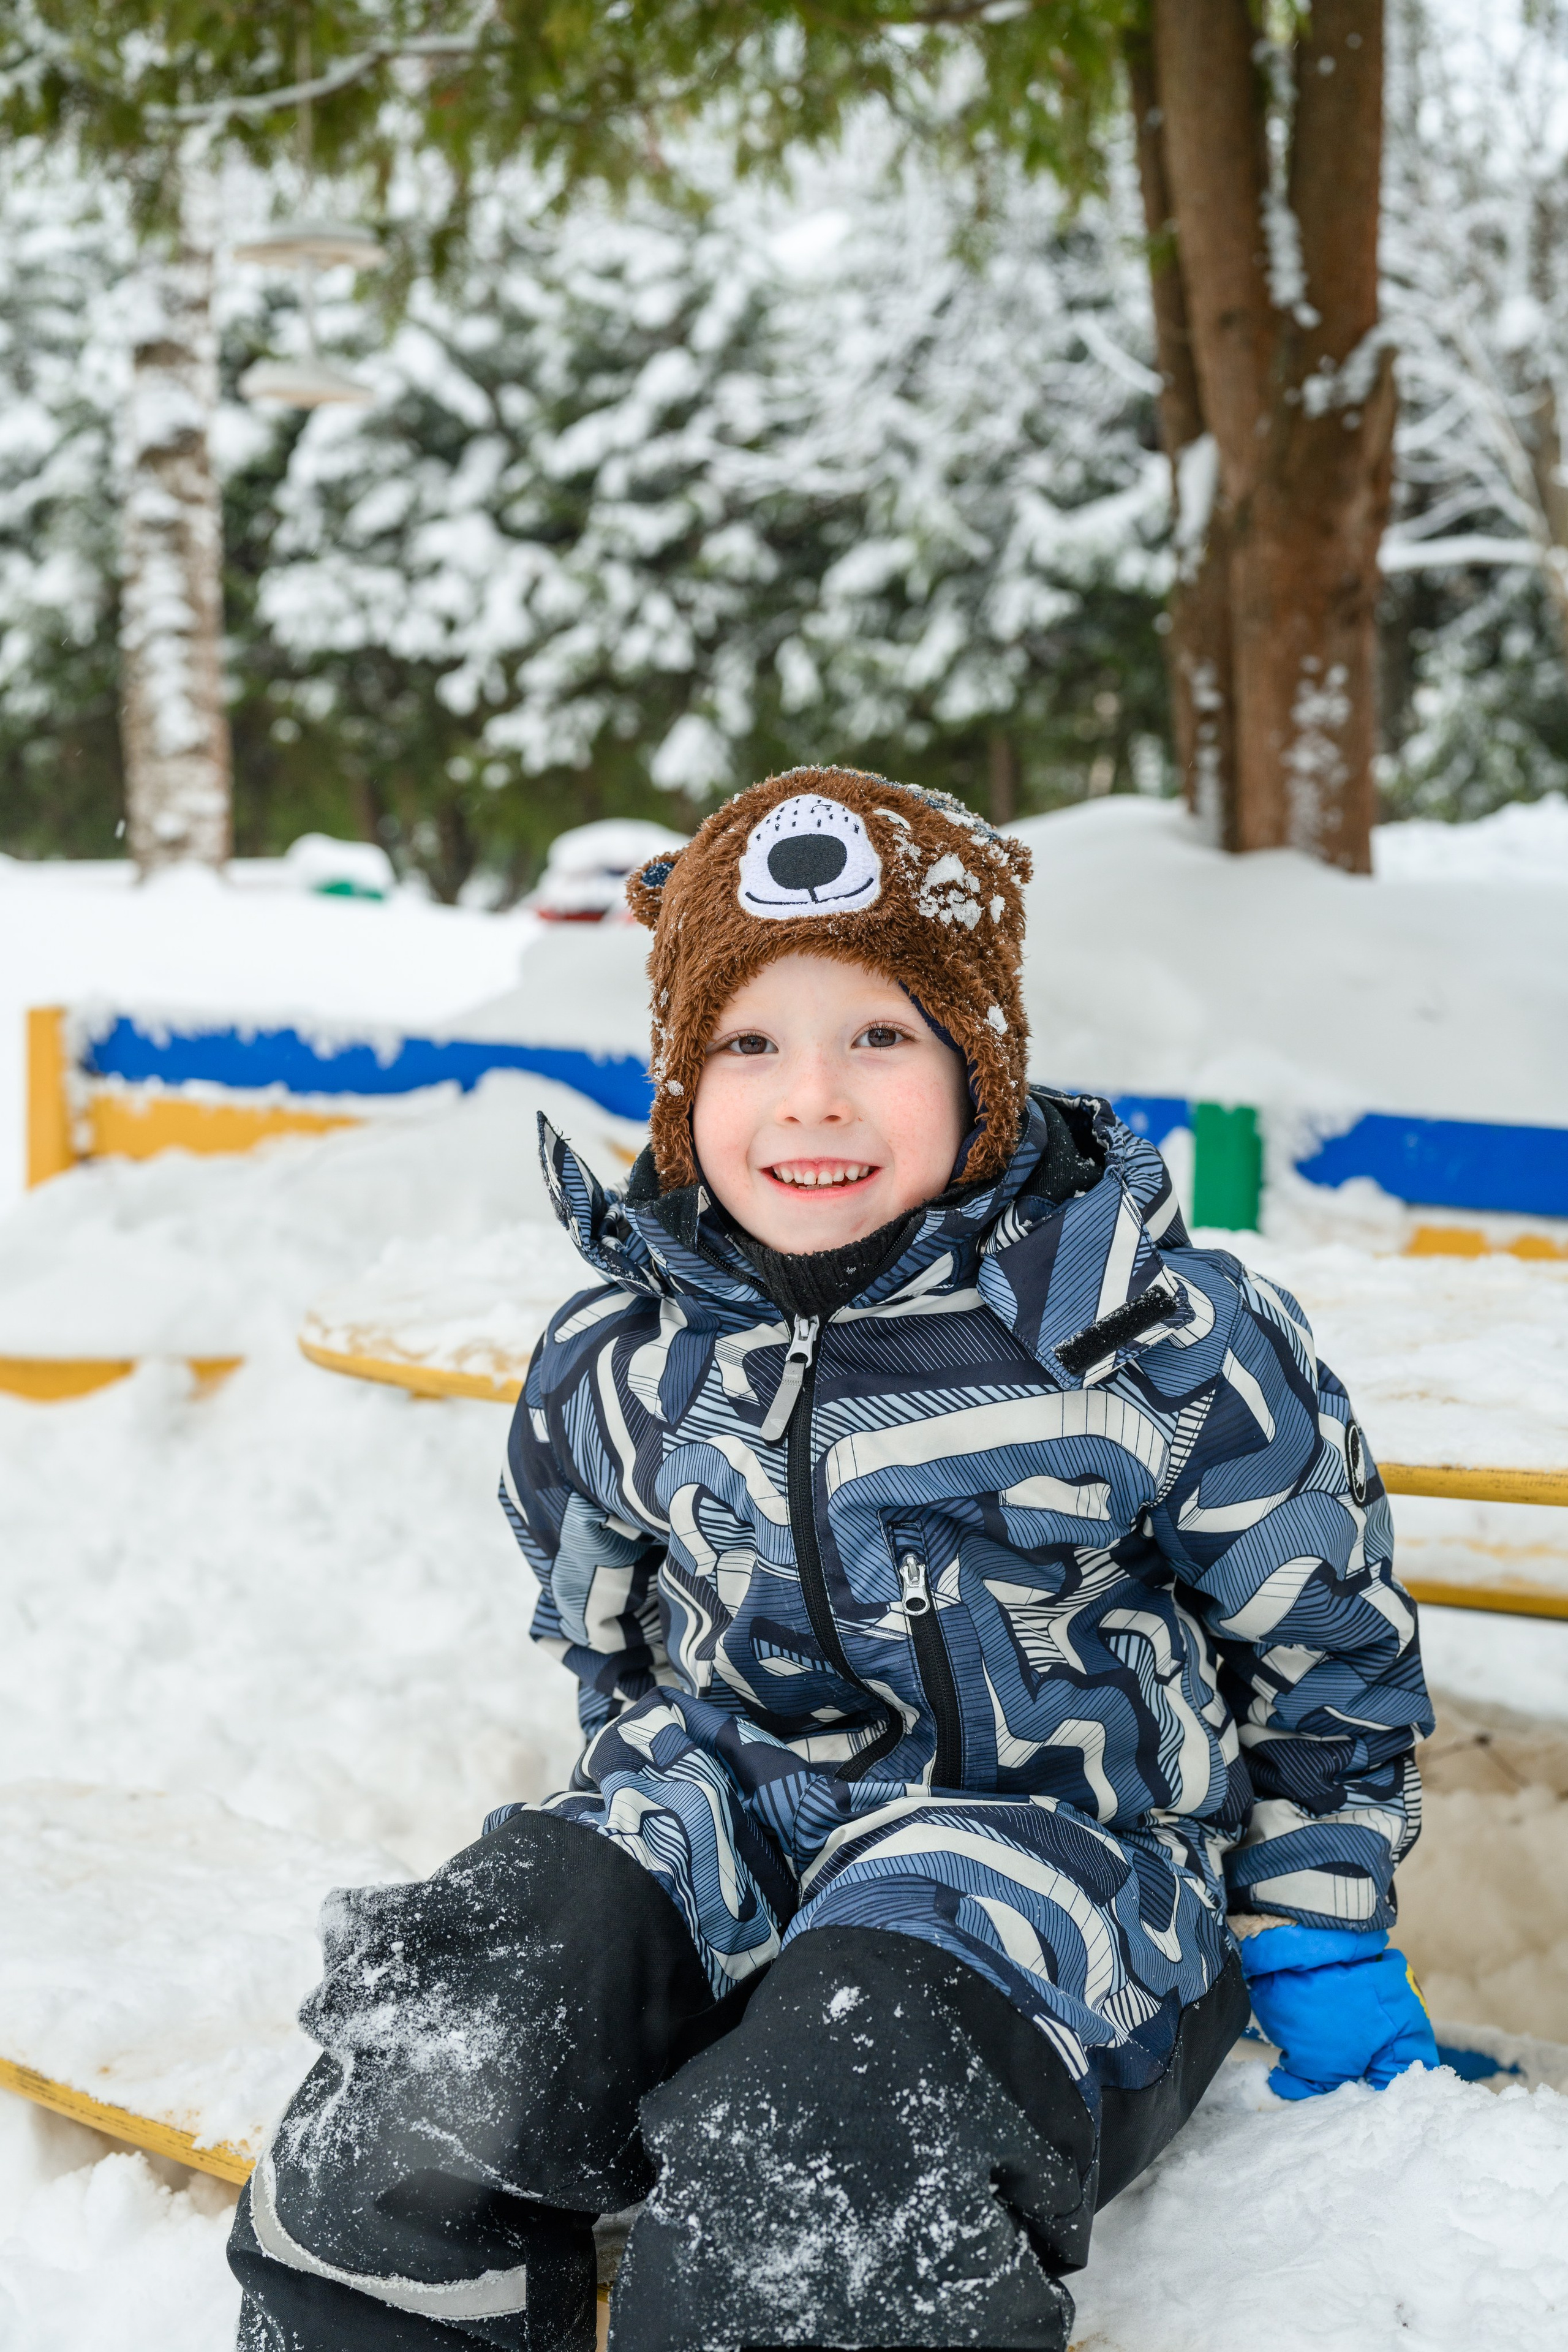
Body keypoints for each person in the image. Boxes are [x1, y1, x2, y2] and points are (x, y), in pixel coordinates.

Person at [229, 768, 1438, 2352]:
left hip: (1051, 1866)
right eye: (748, 1045)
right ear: (681, 1084)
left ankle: (808, 2142)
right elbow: (598, 1606)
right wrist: (617, 1882)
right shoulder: (627, 1356)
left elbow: (1326, 1641)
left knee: (813, 2164)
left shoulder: (1149, 1343)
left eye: (879, 1034)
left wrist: (1320, 1911)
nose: (811, 1098)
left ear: (980, 1067)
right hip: (736, 1811)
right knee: (442, 2041)